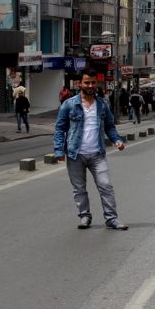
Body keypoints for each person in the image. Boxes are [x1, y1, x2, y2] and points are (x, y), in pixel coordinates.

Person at [53, 68, 128, 230]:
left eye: (93, 82)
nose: (90, 85)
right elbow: (60, 129)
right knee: (79, 189)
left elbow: (109, 126)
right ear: (80, 83)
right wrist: (59, 151)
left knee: (106, 186)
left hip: (97, 154)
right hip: (75, 154)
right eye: (87, 82)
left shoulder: (102, 104)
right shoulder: (69, 104)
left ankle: (111, 219)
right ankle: (85, 216)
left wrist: (117, 140)